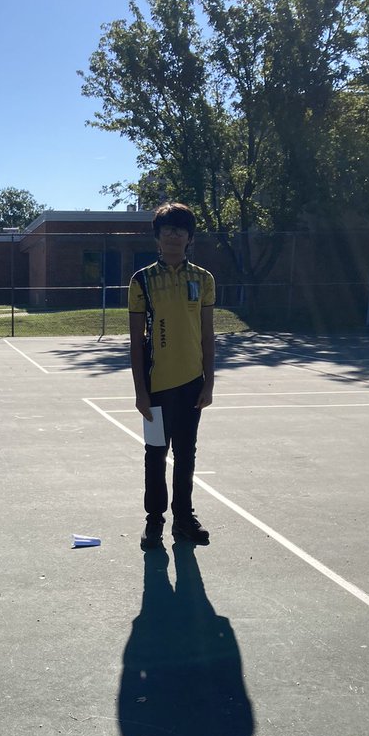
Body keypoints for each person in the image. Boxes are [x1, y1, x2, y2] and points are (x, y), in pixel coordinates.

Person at [128, 202, 215, 550]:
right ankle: (154, 521)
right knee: (155, 454)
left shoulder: (203, 279)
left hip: (192, 383)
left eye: (181, 229)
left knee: (186, 455)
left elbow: (207, 335)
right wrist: (140, 392)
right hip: (156, 385)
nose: (174, 235)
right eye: (168, 229)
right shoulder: (142, 281)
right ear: (158, 237)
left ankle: (184, 518)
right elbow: (136, 341)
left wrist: (209, 382)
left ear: (190, 237)